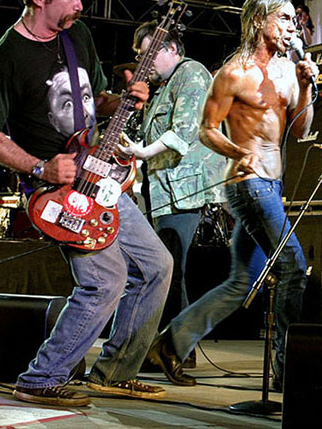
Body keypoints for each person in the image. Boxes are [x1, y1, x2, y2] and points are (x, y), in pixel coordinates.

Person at [0, 0, 173, 407]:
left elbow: (97, 99)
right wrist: (39, 168)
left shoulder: (77, 36)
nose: (81, 3)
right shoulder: (6, 58)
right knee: (104, 282)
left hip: (99, 171)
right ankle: (41, 376)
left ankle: (113, 371)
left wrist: (124, 99)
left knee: (156, 267)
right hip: (59, 191)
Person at [145, 0, 318, 389]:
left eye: (295, 20)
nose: (293, 27)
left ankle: (170, 344)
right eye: (286, 19)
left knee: (243, 282)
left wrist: (307, 87)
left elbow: (303, 130)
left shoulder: (289, 72)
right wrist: (237, 150)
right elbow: (205, 130)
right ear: (260, 21)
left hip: (272, 183)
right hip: (247, 184)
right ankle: (286, 369)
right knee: (293, 266)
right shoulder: (233, 73)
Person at [118, 20, 226, 384]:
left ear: (170, 50)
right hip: (161, 194)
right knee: (163, 268)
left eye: (148, 52)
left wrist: (142, 151)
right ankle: (161, 348)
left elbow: (183, 131)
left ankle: (175, 350)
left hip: (184, 192)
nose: (143, 61)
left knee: (171, 267)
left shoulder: (191, 72)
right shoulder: (162, 87)